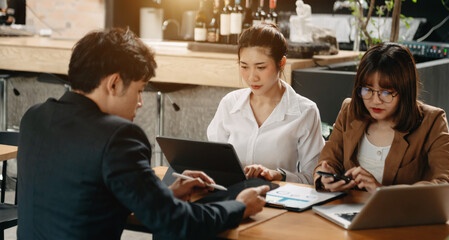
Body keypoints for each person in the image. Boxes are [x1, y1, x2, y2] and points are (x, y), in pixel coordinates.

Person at [17, 28, 269, 240]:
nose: (140, 102)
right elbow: (174, 223)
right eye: (139, 91)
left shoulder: (34, 117)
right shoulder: (118, 136)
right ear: (114, 83)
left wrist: (162, 195)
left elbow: (83, 199)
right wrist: (239, 206)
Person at [314, 42, 449, 194]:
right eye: (367, 90)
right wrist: (325, 178)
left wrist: (382, 191)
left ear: (404, 91)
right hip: (345, 211)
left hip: (403, 215)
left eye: (386, 93)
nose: (376, 100)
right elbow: (329, 160)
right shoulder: (349, 110)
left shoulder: (432, 121)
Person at [207, 24, 325, 184]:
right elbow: (213, 163)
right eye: (244, 67)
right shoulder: (230, 103)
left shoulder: (305, 112)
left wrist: (278, 175)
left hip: (278, 200)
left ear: (281, 63)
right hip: (232, 196)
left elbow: (312, 178)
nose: (251, 77)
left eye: (261, 67)